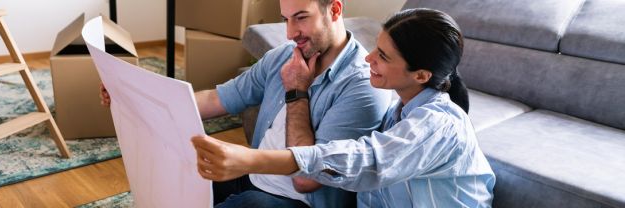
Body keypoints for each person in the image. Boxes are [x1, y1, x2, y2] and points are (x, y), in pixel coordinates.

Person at [191, 8, 496, 208]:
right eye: (376, 47)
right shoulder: (398, 113)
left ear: (421, 76)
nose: (368, 59)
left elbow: (364, 161)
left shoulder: (439, 126)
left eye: (384, 57)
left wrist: (250, 159)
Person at [100, 0, 392, 207]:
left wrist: (296, 92)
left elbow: (306, 179)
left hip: (297, 199)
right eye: (285, 19)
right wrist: (133, 97)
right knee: (169, 182)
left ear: (335, 9)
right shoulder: (282, 56)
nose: (291, 33)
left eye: (301, 17)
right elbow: (217, 99)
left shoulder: (364, 86)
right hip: (253, 175)